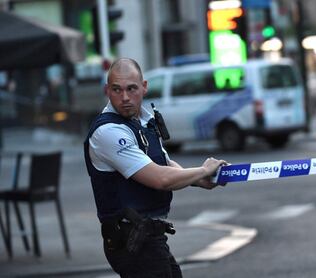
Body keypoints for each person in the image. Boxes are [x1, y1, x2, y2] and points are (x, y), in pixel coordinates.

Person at [84, 58, 227, 277]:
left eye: (131, 88)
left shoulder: (142, 121)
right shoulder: (108, 131)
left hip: (148, 237)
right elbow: (160, 178)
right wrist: (202, 170)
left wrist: (199, 180)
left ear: (144, 87)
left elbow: (165, 163)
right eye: (116, 90)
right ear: (107, 91)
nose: (124, 97)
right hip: (132, 240)